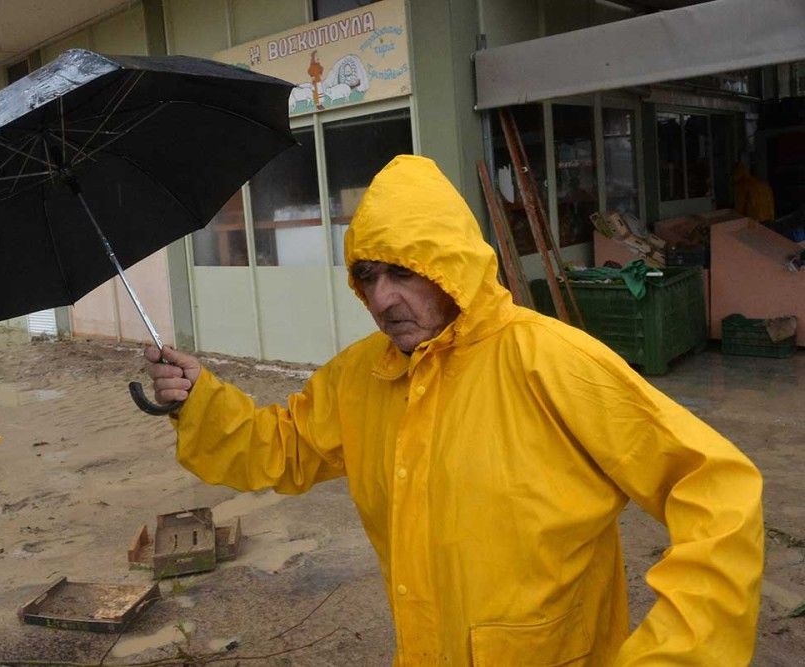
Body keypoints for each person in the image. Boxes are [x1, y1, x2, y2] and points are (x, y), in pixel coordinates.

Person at [144, 155, 763, 665]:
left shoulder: (550, 361)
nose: (383, 299)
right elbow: (281, 449)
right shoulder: (364, 375)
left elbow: (718, 490)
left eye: (404, 272)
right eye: (368, 275)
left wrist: (677, 653)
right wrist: (202, 399)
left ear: (450, 267)